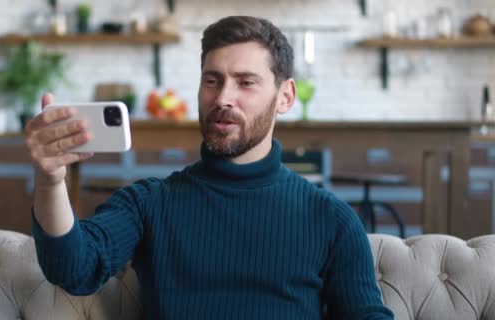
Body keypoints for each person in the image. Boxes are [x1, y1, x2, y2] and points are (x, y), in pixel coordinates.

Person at [24, 15, 394, 319]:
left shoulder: (332, 220)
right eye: (211, 80)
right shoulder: (149, 202)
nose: (222, 98)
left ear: (285, 97)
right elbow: (73, 270)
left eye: (246, 82)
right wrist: (50, 180)